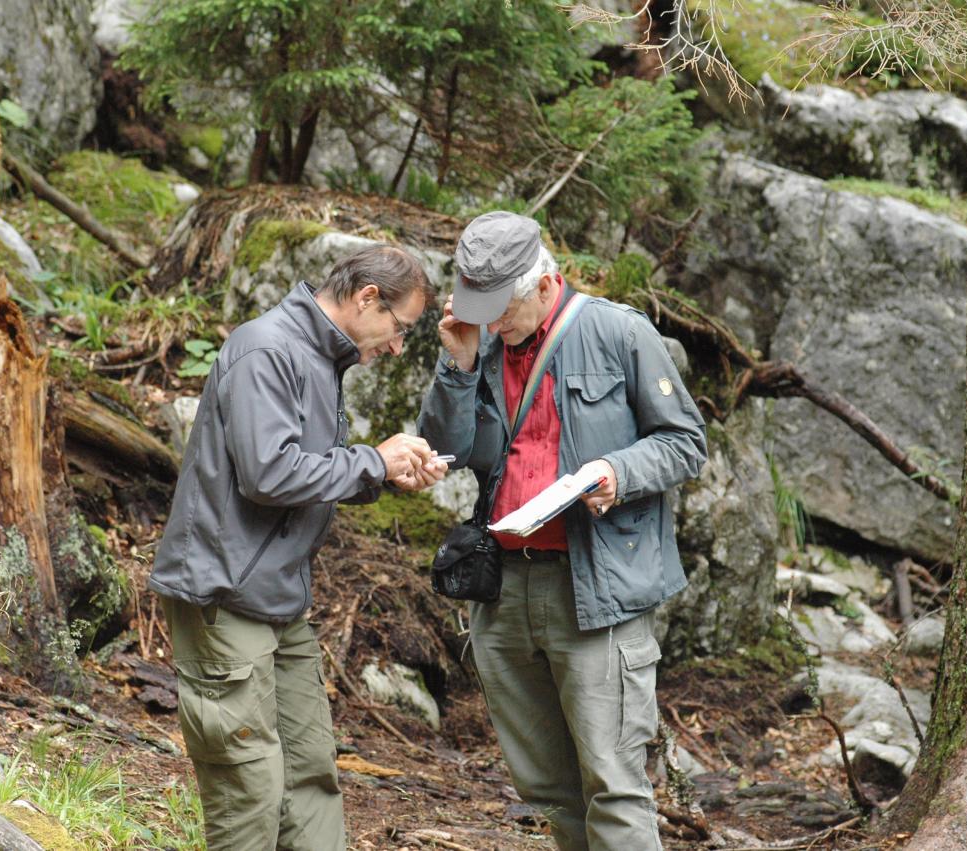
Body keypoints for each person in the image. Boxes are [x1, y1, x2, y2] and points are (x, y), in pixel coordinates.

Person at [418, 212, 708, 850]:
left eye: (502, 310)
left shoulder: (618, 331)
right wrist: (459, 365)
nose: (492, 323)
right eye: (482, 309)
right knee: (548, 787)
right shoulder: (481, 342)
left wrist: (617, 469)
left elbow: (686, 443)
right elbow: (443, 450)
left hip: (594, 591)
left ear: (546, 284)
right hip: (505, 592)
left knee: (612, 781)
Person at [149, 244, 448, 850]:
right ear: (368, 297)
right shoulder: (268, 348)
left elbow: (306, 470)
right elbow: (268, 474)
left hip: (280, 601)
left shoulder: (319, 357)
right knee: (249, 788)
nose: (396, 347)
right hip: (225, 593)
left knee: (311, 774)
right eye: (399, 328)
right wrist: (371, 461)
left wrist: (382, 475)